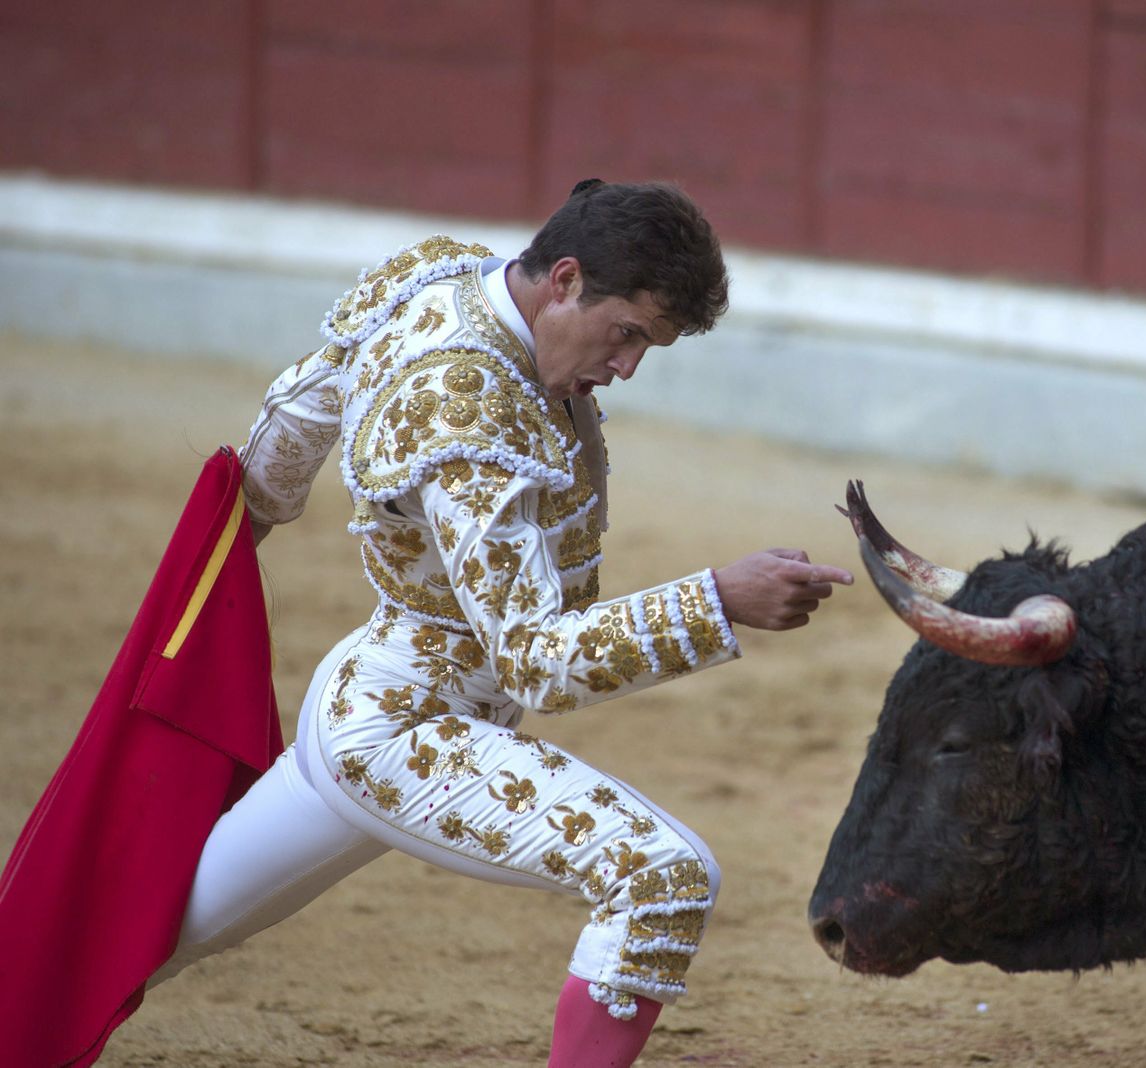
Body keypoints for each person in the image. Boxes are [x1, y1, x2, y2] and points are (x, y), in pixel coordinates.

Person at [148, 179, 853, 1067]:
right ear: (562, 280)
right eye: (627, 333)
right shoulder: (465, 407)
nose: (628, 368)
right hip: (405, 733)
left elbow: (296, 421)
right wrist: (718, 599)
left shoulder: (438, 276)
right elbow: (537, 664)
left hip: (391, 705)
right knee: (661, 879)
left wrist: (240, 533)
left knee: (146, 935)